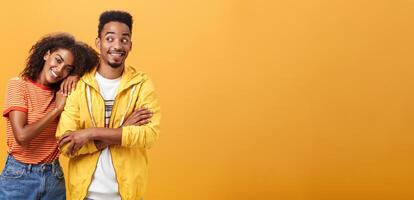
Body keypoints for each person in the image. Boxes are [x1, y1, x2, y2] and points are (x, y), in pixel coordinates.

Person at [56, 10, 160, 200]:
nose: (117, 45)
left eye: (124, 40)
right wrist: (123, 130)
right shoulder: (79, 86)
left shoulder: (142, 84)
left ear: (130, 45)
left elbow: (149, 135)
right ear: (98, 43)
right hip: (85, 195)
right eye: (110, 38)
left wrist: (90, 133)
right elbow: (66, 144)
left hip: (128, 195)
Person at [0, 33, 99, 200]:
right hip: (19, 177)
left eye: (68, 68)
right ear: (46, 54)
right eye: (58, 60)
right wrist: (57, 109)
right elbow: (22, 136)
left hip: (54, 176)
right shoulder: (19, 85)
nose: (60, 70)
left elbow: (101, 68)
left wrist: (77, 75)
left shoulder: (63, 91)